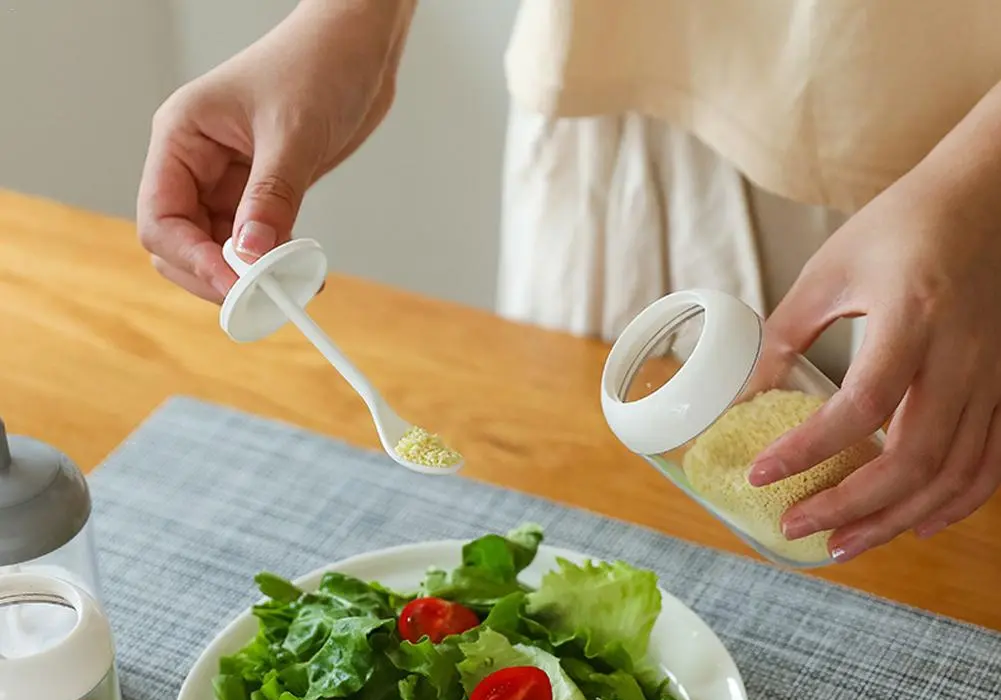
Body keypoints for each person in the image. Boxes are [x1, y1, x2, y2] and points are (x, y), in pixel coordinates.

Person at [137, 0, 1001, 563]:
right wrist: (355, 17)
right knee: (592, 533)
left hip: (953, 192)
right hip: (613, 136)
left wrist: (976, 190)